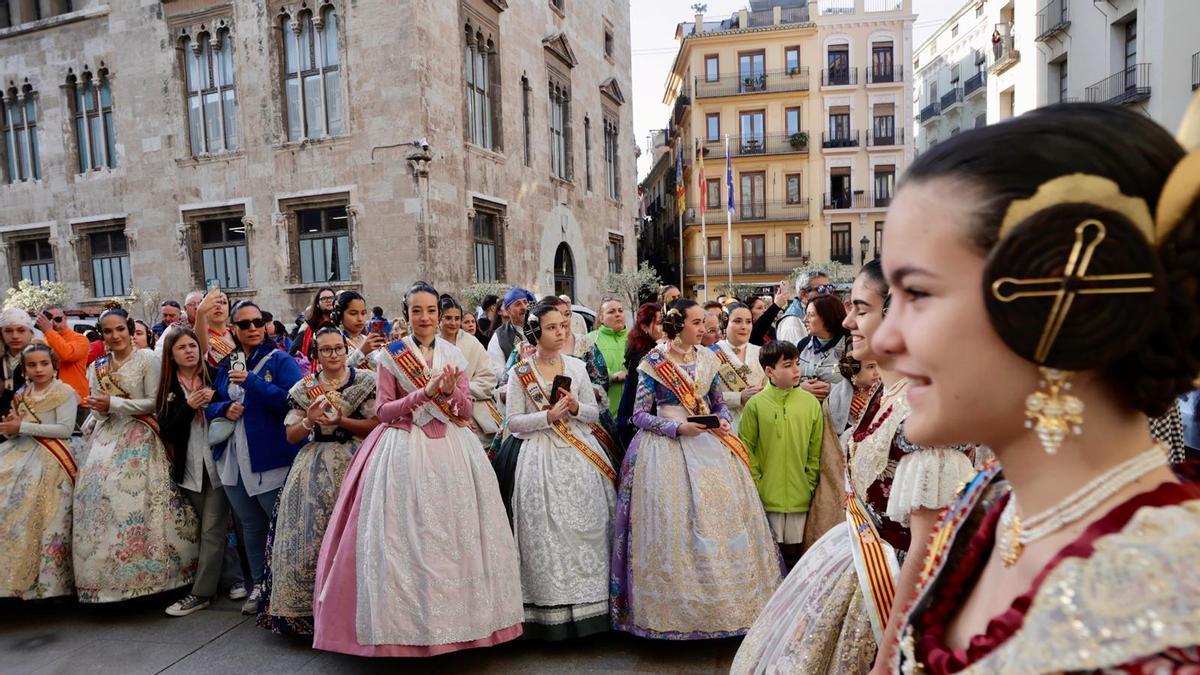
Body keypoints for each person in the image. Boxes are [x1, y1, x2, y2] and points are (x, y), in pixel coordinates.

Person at [877, 103, 1200, 673]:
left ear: (1062, 305)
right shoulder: (987, 504)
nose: (884, 338)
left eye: (918, 294)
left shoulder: (1176, 603)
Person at [731, 260, 975, 674]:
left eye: (860, 310)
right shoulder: (885, 390)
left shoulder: (929, 412)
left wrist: (889, 656)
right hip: (856, 563)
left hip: (891, 593)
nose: (847, 321)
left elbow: (929, 548)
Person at [312, 283, 523, 657]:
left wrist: (447, 391)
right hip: (404, 450)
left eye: (430, 311)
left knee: (459, 536)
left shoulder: (453, 353)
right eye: (416, 311)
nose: (424, 318)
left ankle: (465, 626)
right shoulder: (391, 356)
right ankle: (405, 631)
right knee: (406, 536)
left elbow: (464, 411)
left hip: (453, 453)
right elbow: (384, 412)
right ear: (406, 314)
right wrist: (423, 394)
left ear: (439, 315)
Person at [611, 298, 783, 640]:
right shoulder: (653, 363)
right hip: (665, 453)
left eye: (705, 322)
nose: (704, 328)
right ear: (678, 325)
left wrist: (718, 418)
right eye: (697, 322)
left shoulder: (708, 358)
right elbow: (638, 415)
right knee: (673, 525)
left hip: (709, 445)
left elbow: (717, 401)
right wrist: (676, 428)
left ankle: (729, 608)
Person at [502, 302, 617, 639]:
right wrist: (547, 417)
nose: (560, 332)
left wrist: (577, 407)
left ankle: (593, 609)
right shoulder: (519, 371)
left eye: (563, 326)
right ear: (537, 332)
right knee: (546, 530)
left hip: (580, 453)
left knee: (589, 525)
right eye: (552, 327)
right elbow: (513, 422)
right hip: (539, 457)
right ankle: (547, 612)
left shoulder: (577, 368)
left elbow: (593, 414)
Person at [73, 307, 199, 602]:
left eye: (120, 329)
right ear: (101, 335)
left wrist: (114, 404)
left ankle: (158, 576)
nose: (115, 335)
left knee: (138, 502)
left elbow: (154, 402)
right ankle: (104, 580)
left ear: (130, 329)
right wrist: (101, 408)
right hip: (105, 440)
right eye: (108, 331)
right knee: (99, 501)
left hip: (142, 437)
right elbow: (97, 408)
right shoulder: (98, 366)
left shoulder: (148, 360)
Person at [258, 327, 378, 635]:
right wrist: (309, 420)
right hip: (313, 464)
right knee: (311, 533)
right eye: (326, 350)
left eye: (338, 348)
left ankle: (358, 608)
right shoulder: (303, 388)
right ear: (317, 354)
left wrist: (343, 421)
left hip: (356, 458)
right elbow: (291, 434)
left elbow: (376, 425)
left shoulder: (365, 381)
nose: (334, 355)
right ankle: (309, 613)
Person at [206, 300, 302, 615]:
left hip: (268, 455)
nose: (252, 329)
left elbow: (291, 401)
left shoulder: (280, 360)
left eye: (257, 322)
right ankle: (258, 584)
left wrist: (251, 381)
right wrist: (224, 408)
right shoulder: (227, 362)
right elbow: (212, 402)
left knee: (279, 522)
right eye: (244, 324)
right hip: (233, 457)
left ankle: (286, 586)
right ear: (233, 328)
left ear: (266, 325)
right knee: (250, 523)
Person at [0, 344, 79, 599]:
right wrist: (10, 429)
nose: (39, 369)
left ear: (54, 365)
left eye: (44, 363)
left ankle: (44, 584)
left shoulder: (65, 391)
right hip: (20, 450)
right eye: (32, 365)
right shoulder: (21, 394)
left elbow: (65, 430)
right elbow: (17, 427)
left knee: (29, 499)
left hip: (51, 456)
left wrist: (22, 427)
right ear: (24, 369)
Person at [157, 327, 226, 617]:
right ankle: (234, 579)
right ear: (171, 355)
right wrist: (188, 406)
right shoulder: (168, 388)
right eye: (182, 347)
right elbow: (167, 430)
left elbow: (233, 406)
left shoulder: (214, 374)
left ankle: (200, 594)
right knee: (207, 530)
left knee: (212, 529)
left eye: (193, 345)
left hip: (221, 464)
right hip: (190, 467)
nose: (189, 351)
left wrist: (216, 403)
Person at [739, 340, 823, 569]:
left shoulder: (811, 404)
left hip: (801, 496)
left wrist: (809, 481)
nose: (796, 370)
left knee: (798, 555)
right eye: (787, 365)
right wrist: (759, 483)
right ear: (769, 371)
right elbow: (745, 449)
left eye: (797, 363)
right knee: (770, 556)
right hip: (767, 497)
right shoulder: (755, 405)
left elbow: (816, 450)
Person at [439, 294, 501, 448]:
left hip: (475, 412)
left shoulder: (472, 343)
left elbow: (489, 380)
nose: (453, 323)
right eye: (448, 318)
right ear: (439, 318)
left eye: (457, 318)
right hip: (439, 413)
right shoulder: (431, 343)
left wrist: (460, 391)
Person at [797, 294, 852, 431]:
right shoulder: (803, 345)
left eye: (810, 315)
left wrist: (831, 389)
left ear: (827, 317)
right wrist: (799, 388)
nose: (805, 320)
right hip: (805, 422)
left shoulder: (851, 345)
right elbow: (786, 381)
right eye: (806, 314)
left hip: (841, 426)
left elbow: (865, 386)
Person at [615, 303, 663, 445]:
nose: (665, 327)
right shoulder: (645, 356)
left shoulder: (654, 349)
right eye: (659, 322)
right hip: (644, 425)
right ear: (644, 327)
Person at [714, 302, 764, 434]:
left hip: (759, 422)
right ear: (725, 323)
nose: (744, 327)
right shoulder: (710, 354)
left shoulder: (761, 352)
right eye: (737, 321)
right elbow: (702, 396)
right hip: (726, 424)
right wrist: (738, 397)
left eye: (748, 322)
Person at [576, 298, 628, 419]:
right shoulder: (588, 340)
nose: (617, 314)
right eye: (611, 312)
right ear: (601, 318)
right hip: (602, 414)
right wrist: (611, 376)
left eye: (620, 310)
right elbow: (580, 373)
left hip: (630, 413)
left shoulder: (634, 338)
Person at [35, 305, 90, 414]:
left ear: (65, 318)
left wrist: (48, 331)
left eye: (58, 319)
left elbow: (67, 354)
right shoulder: (44, 341)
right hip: (49, 404)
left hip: (76, 403)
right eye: (50, 321)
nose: (54, 324)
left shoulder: (80, 339)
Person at [332, 291, 385, 371]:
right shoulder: (332, 340)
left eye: (363, 313)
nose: (360, 319)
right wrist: (362, 352)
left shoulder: (366, 339)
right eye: (353, 313)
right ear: (340, 315)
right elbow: (334, 372)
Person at [776, 273, 832, 345]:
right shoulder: (792, 322)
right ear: (803, 294)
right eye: (821, 289)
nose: (828, 293)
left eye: (830, 288)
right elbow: (796, 354)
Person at [487, 287, 535, 373]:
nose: (524, 307)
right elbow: (498, 372)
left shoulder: (538, 327)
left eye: (525, 302)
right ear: (508, 310)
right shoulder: (499, 336)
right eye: (518, 304)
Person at [0, 308, 34, 420]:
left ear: (30, 333)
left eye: (21, 330)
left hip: (30, 424)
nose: (15, 336)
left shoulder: (42, 359)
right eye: (8, 331)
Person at [290, 287, 336, 364]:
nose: (328, 300)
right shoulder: (309, 327)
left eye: (331, 298)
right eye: (324, 298)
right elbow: (293, 352)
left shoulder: (342, 324)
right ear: (317, 304)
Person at [193, 287, 236, 368]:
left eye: (223, 302)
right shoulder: (200, 336)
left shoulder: (236, 334)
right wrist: (200, 313)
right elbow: (200, 349)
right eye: (213, 303)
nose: (218, 307)